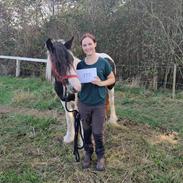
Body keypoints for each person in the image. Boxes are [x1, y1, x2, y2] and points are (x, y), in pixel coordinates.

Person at [77, 33, 115, 171]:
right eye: (84, 45)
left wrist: (101, 83)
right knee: (86, 131)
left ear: (95, 44)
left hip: (99, 103)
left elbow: (112, 79)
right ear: (82, 47)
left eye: (89, 44)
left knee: (97, 132)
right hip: (84, 104)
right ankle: (88, 153)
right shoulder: (80, 65)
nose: (87, 47)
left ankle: (100, 156)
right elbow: (76, 84)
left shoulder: (103, 62)